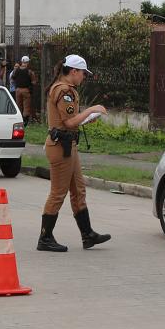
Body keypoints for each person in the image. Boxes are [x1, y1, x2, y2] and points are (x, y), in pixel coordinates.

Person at [37, 54, 111, 253]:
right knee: (58, 193)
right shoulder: (63, 91)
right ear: (73, 71)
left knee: (78, 191)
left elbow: (69, 122)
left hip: (68, 145)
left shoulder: (67, 90)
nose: (83, 77)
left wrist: (86, 118)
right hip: (60, 147)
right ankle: (45, 238)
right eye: (83, 74)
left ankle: (88, 235)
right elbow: (68, 123)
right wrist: (91, 110)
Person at [11, 55, 36, 126]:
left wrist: (17, 83)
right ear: (28, 62)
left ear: (22, 62)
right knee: (26, 107)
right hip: (26, 90)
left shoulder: (16, 70)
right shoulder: (29, 72)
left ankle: (18, 121)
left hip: (18, 90)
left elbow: (12, 79)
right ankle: (25, 122)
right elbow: (34, 82)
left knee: (18, 106)